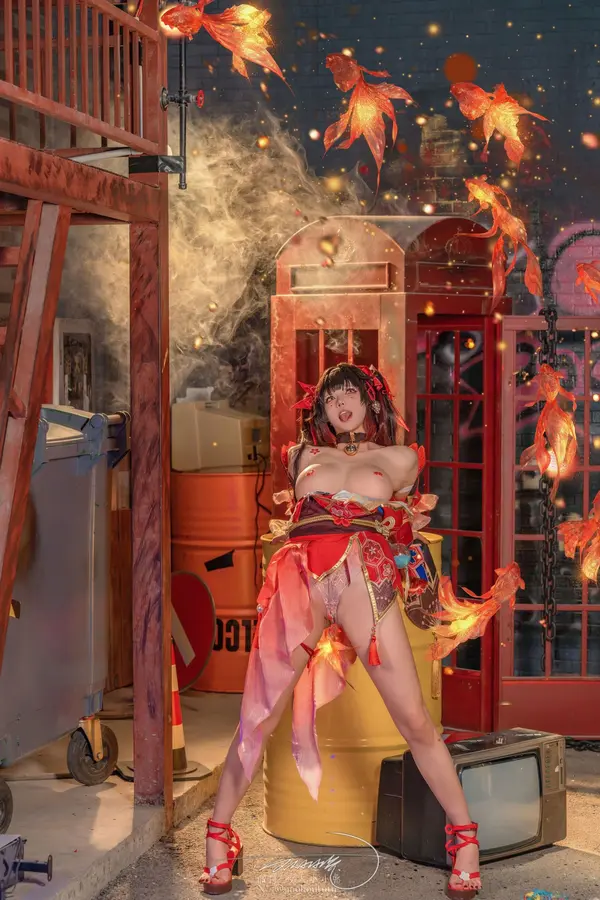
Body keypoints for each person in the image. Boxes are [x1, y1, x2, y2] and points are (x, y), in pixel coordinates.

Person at [200, 363, 481, 900]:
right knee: (257, 716)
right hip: (299, 576)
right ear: (321, 409)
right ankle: (219, 837)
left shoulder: (401, 459)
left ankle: (464, 838)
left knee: (414, 719)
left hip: (363, 576)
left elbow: (405, 527)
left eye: (351, 392)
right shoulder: (301, 455)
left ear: (372, 402)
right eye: (331, 397)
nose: (342, 403)